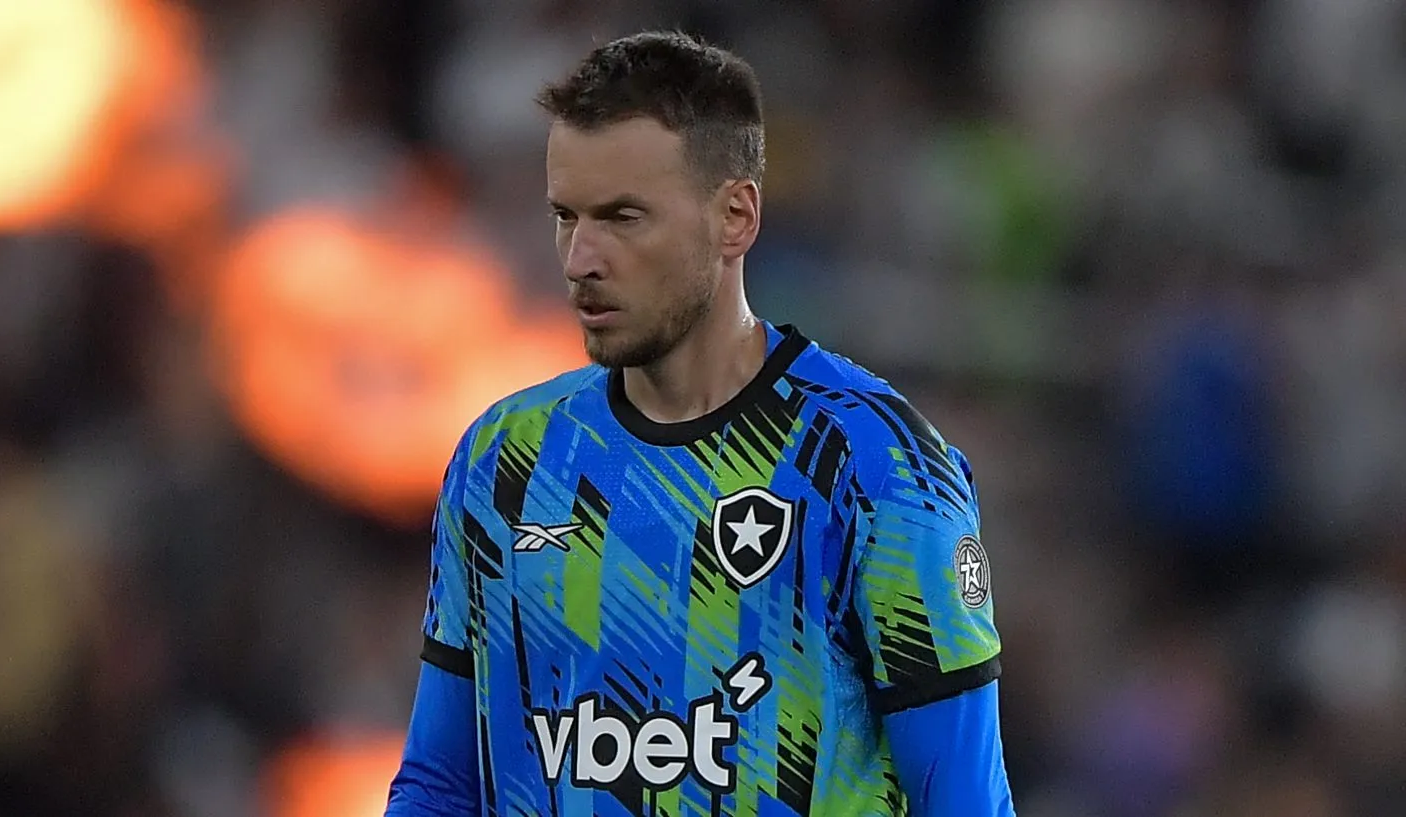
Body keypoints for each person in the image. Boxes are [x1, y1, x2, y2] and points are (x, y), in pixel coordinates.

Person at [385, 30, 1014, 817]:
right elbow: (441, 783)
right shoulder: (506, 460)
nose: (581, 256)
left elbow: (962, 800)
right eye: (565, 216)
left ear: (735, 218)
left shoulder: (873, 465)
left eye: (622, 217)